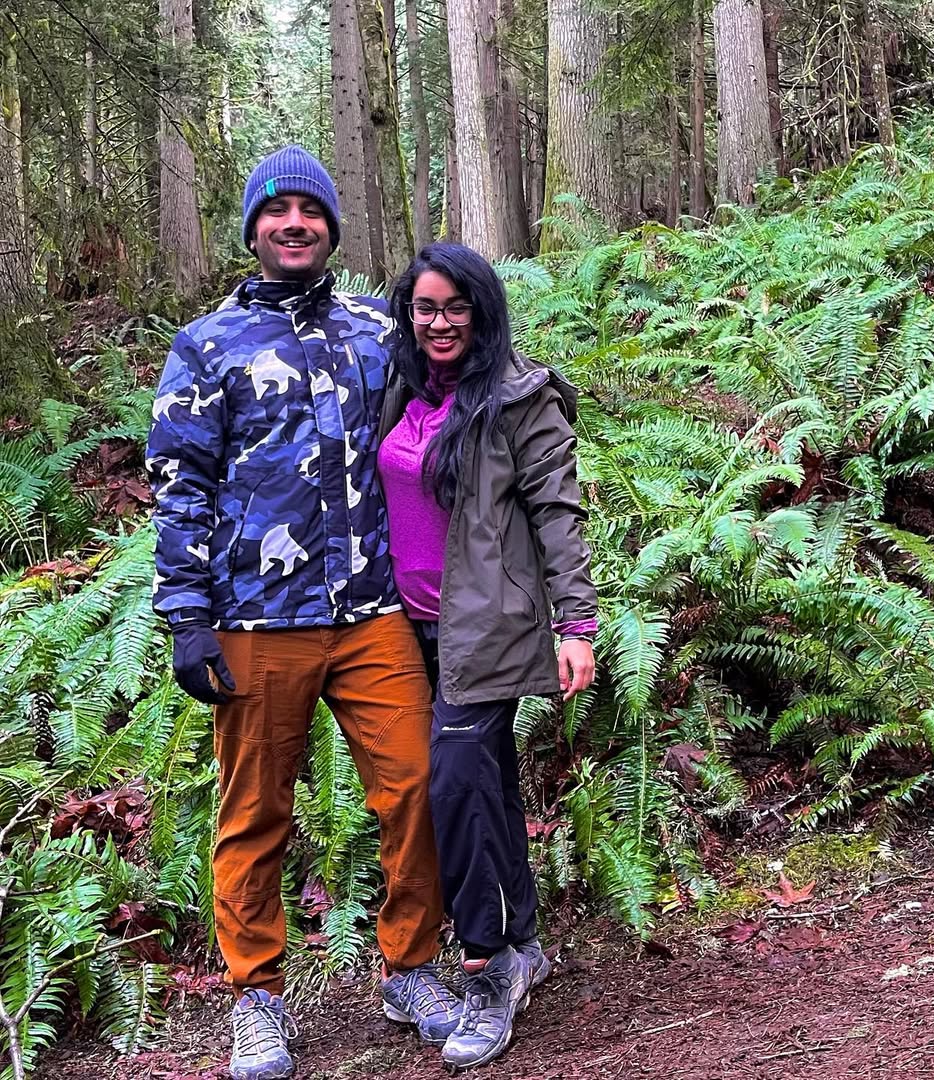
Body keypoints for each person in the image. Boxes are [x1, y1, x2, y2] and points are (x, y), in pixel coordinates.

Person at [147, 146, 460, 1080]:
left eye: (309, 210)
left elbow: (443, 414)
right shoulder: (207, 345)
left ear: (331, 226)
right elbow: (179, 482)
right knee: (254, 814)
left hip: (372, 613)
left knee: (417, 788)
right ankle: (257, 998)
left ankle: (412, 966)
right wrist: (186, 615)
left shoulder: (377, 330)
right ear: (253, 229)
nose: (294, 223)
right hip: (255, 620)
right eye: (275, 210)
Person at [376, 242, 599, 1069]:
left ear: (483, 310)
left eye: (455, 307)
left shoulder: (519, 398)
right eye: (425, 308)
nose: (439, 323)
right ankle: (525, 939)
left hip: (489, 626)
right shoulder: (400, 387)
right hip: (407, 632)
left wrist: (577, 625)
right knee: (487, 781)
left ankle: (487, 961)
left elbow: (558, 515)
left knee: (455, 785)